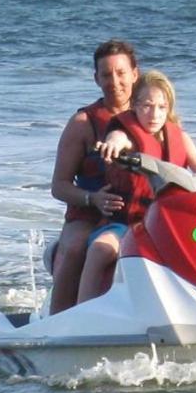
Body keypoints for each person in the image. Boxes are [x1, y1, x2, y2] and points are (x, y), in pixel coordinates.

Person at [77, 70, 196, 302]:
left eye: (161, 107)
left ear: (169, 108)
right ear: (134, 105)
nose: (154, 114)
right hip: (126, 224)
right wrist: (112, 144)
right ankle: (83, 315)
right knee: (100, 249)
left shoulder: (179, 138)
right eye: (147, 105)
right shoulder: (125, 133)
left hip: (168, 225)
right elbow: (118, 138)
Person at [47, 39, 139, 315]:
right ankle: (59, 321)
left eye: (121, 73)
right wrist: (92, 199)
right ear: (96, 79)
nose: (115, 81)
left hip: (139, 212)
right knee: (76, 248)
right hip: (87, 213)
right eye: (106, 75)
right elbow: (59, 186)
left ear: (135, 74)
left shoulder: (152, 116)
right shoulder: (83, 124)